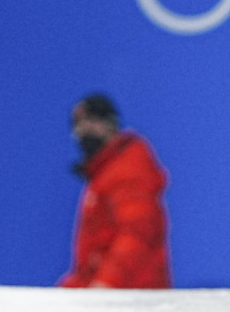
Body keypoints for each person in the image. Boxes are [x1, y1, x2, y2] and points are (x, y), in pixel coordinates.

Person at [58, 94, 172, 288]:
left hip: (131, 298)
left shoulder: (127, 166)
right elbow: (88, 265)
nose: (82, 130)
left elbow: (137, 230)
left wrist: (106, 282)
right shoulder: (103, 176)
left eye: (91, 120)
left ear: (110, 124)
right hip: (110, 294)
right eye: (77, 125)